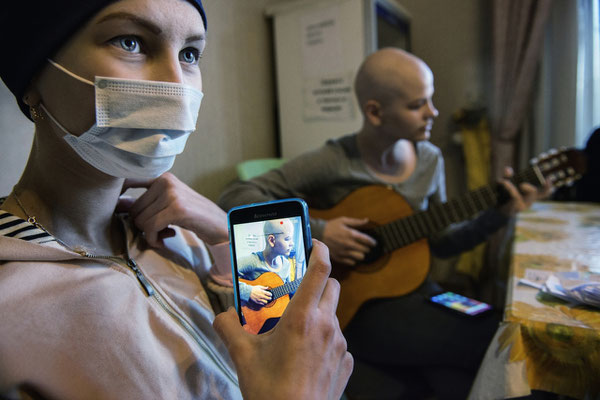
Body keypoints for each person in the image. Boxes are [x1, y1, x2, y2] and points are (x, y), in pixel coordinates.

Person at [0, 1, 353, 399]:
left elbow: (284, 340)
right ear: (33, 75)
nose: (176, 84)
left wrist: (226, 234)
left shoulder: (181, 235)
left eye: (189, 54)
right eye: (130, 42)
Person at [218, 48, 551, 399]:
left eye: (430, 100)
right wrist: (321, 230)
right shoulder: (335, 160)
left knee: (492, 337)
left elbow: (441, 242)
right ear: (375, 112)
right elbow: (238, 194)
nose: (433, 112)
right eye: (417, 105)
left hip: (420, 293)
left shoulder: (429, 160)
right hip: (357, 307)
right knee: (493, 342)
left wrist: (499, 214)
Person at [237, 218, 298, 306]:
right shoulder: (253, 260)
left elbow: (286, 291)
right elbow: (230, 276)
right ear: (272, 241)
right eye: (287, 239)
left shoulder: (286, 264)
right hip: (252, 312)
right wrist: (248, 292)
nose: (292, 243)